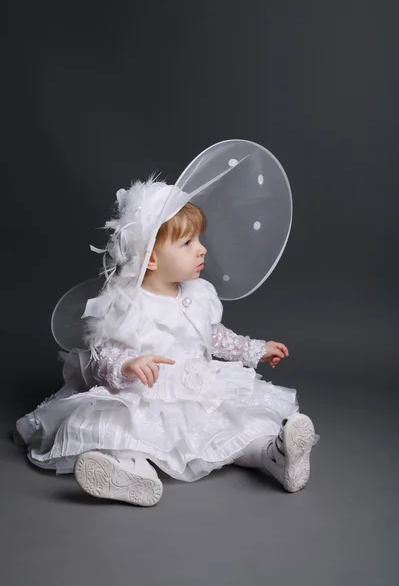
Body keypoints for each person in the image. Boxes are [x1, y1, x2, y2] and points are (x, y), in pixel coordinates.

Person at [16, 177, 318, 507]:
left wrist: (255, 349)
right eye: (187, 243)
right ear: (151, 258)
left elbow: (214, 336)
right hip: (147, 393)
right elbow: (104, 352)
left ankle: (274, 454)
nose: (202, 248)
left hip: (200, 386)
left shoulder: (199, 294)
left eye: (198, 239)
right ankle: (133, 475)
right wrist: (129, 364)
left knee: (236, 422)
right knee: (131, 432)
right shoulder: (127, 303)